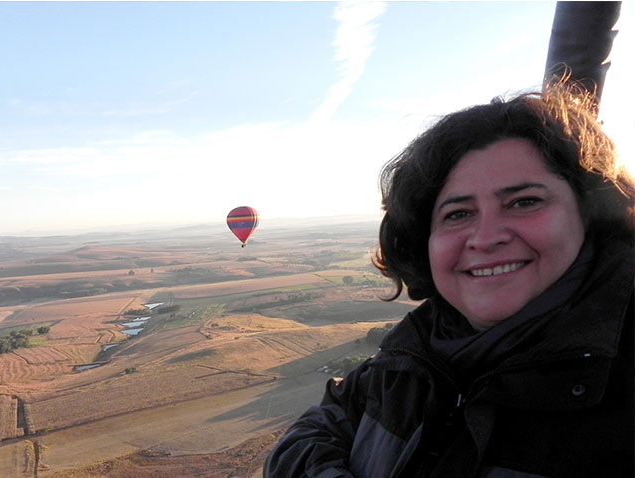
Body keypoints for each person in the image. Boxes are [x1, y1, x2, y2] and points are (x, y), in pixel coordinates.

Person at [263, 84, 634, 478]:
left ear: (591, 215)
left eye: (524, 202)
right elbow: (313, 431)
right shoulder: (412, 356)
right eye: (457, 214)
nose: (486, 237)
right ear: (425, 239)